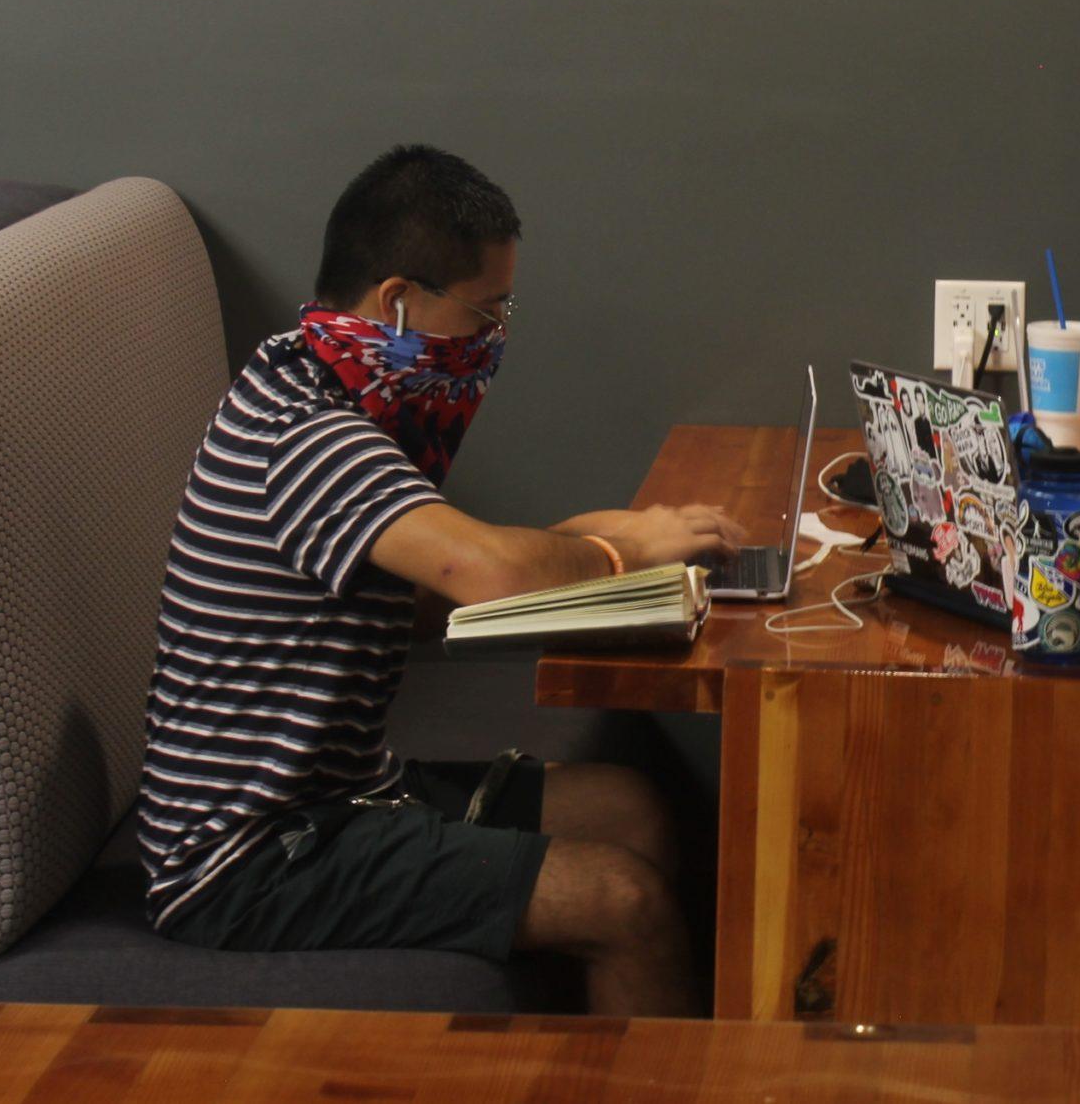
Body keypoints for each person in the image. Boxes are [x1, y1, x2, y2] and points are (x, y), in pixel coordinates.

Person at [136, 145, 736, 1015]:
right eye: (486, 312)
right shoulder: (307, 435)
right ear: (398, 300)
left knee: (630, 808)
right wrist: (624, 553)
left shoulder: (309, 376)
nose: (494, 339)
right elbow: (486, 575)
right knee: (623, 899)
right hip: (249, 854)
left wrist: (569, 540)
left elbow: (414, 604)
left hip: (340, 793)